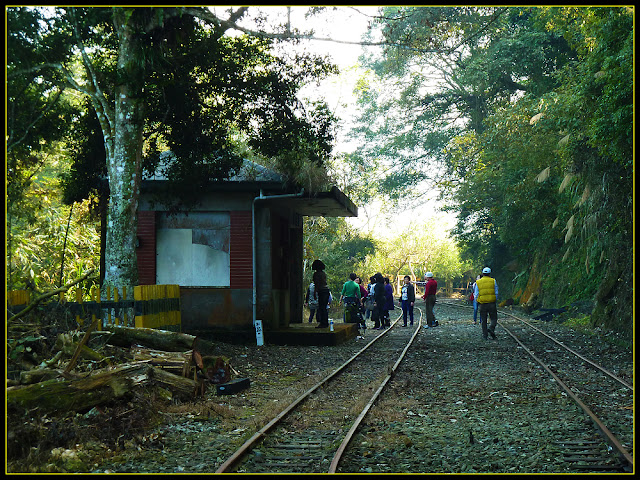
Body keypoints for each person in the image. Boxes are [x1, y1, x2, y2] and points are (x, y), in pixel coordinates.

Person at [474, 267, 498, 340]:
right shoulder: (493, 281)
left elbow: (476, 294)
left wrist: (478, 301)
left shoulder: (478, 282)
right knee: (494, 318)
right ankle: (491, 328)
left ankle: (485, 336)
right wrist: (495, 300)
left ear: (483, 274)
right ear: (490, 274)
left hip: (482, 304)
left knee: (483, 320)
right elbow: (496, 292)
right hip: (491, 303)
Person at [312, 259, 331, 329]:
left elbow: (316, 284)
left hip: (321, 291)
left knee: (321, 307)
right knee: (324, 308)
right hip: (326, 290)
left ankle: (322, 323)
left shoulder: (316, 274)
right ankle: (325, 322)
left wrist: (315, 293)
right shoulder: (323, 273)